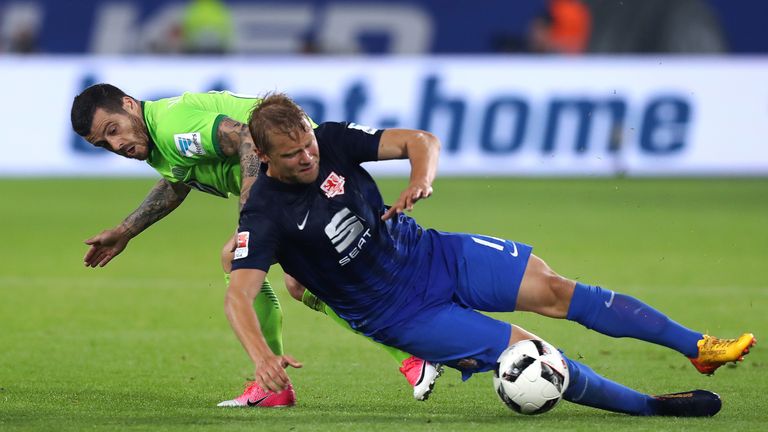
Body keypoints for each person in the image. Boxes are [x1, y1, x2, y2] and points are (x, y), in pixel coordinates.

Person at [226, 92, 756, 416]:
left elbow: (422, 140)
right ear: (265, 158)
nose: (308, 157)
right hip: (402, 314)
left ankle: (698, 347)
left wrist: (420, 179)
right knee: (536, 356)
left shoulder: (333, 139)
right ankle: (649, 406)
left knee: (555, 289)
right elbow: (240, 295)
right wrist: (261, 357)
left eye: (309, 145)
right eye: (293, 154)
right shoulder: (265, 213)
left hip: (433, 253)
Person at [69, 84, 442, 407]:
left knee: (243, 260)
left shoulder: (170, 126)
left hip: (302, 168)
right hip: (301, 172)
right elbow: (178, 179)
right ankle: (403, 355)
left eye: (114, 129)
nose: (116, 144)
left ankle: (405, 355)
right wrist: (127, 229)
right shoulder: (159, 141)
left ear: (130, 105)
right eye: (105, 143)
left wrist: (251, 217)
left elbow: (248, 137)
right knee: (297, 282)